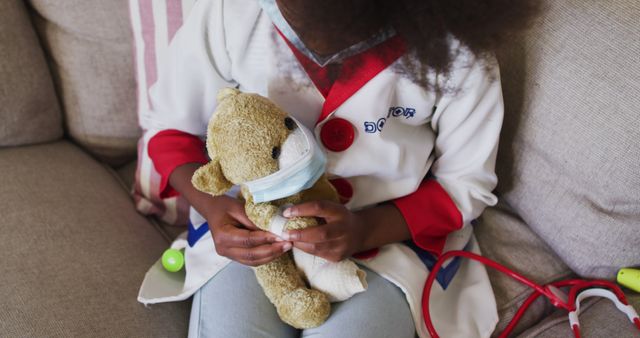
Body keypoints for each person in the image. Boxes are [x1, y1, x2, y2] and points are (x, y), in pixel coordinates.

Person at [140, 0, 538, 337]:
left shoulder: (460, 53)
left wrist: (366, 229)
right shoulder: (233, 14)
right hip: (251, 233)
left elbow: (464, 183)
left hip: (387, 242)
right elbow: (171, 131)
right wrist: (212, 208)